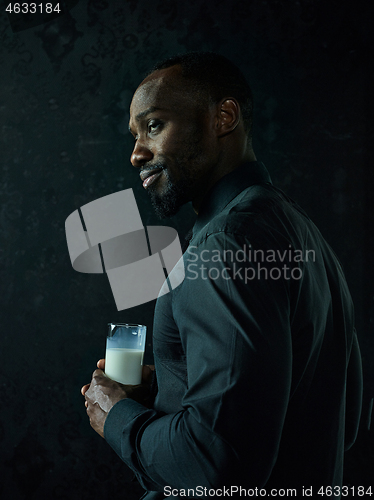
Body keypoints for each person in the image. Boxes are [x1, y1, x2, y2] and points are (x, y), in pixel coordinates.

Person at [81, 52, 363, 498]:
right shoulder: (307, 236)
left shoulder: (225, 244)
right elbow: (342, 422)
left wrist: (116, 416)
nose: (136, 154)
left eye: (154, 126)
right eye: (135, 135)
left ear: (223, 118)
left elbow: (216, 462)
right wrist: (173, 385)